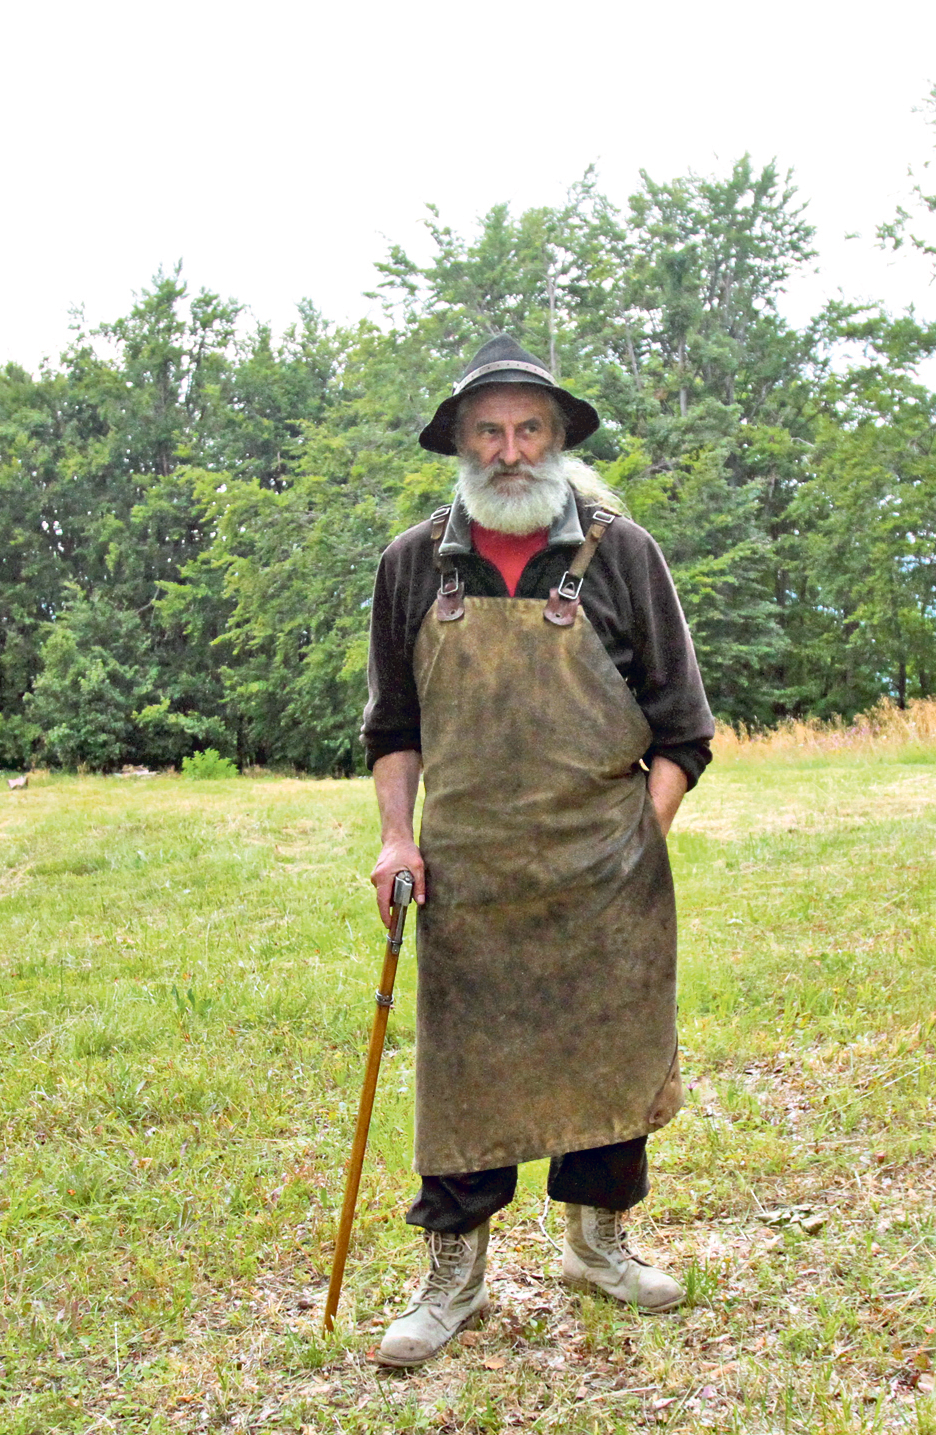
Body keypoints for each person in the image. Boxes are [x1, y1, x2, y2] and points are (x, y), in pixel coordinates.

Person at [359, 335, 716, 1367]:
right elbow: (393, 728)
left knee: (608, 1055)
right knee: (464, 1072)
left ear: (556, 441)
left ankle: (600, 1246)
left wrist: (631, 843)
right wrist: (394, 839)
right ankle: (454, 1277)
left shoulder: (623, 554)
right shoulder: (413, 565)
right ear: (461, 446)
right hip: (468, 871)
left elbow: (683, 726)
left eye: (528, 430)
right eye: (488, 432)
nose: (509, 451)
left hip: (607, 872)